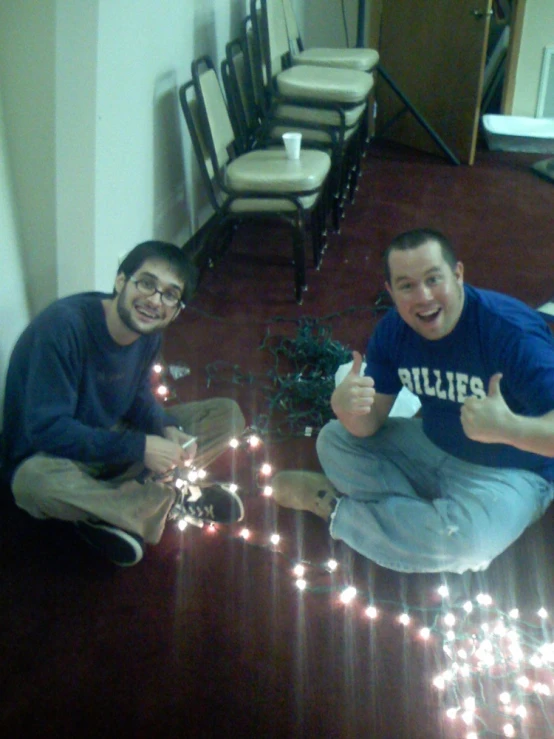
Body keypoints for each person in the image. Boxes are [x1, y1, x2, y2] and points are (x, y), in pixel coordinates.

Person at [271, 228, 554, 582]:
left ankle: (337, 511)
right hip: (431, 446)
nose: (423, 297)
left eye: (433, 279)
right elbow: (369, 425)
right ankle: (423, 523)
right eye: (406, 286)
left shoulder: (511, 332)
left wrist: (509, 429)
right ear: (391, 292)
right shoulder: (393, 332)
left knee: (468, 546)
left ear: (458, 275)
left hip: (512, 473)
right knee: (334, 439)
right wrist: (347, 409)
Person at [1, 241, 246, 566]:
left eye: (170, 295)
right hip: (54, 455)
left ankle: (111, 511)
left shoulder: (149, 331)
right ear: (120, 281)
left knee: (227, 416)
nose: (154, 300)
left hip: (112, 437)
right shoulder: (62, 328)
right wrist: (140, 447)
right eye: (147, 283)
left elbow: (137, 394)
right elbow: (48, 431)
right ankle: (169, 499)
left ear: (176, 310)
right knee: (34, 484)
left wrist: (165, 427)